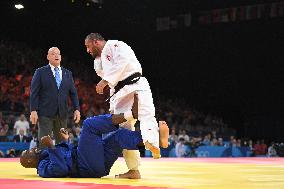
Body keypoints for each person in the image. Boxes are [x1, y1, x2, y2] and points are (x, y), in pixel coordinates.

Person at [20, 97, 169, 178]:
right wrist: (52, 147)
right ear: (29, 161)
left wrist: (65, 140)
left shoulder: (45, 156)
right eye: (29, 153)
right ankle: (131, 115)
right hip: (85, 165)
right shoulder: (42, 169)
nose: (33, 150)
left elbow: (66, 153)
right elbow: (60, 169)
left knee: (119, 136)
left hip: (96, 165)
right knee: (90, 125)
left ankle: (155, 139)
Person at [84, 33, 167, 178]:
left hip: (136, 84)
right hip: (119, 93)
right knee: (123, 130)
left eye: (88, 46)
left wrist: (105, 80)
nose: (88, 50)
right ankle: (134, 169)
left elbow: (123, 63)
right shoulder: (97, 62)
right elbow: (112, 81)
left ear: (95, 42)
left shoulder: (116, 45)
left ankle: (154, 142)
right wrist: (111, 99)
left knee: (146, 114)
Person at [30, 47, 80, 147]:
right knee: (44, 142)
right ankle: (45, 162)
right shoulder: (40, 72)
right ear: (48, 57)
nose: (56, 56)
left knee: (62, 143)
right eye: (53, 54)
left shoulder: (68, 73)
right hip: (45, 113)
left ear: (61, 57)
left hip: (62, 114)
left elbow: (73, 93)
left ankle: (61, 163)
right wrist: (33, 110)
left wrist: (77, 109)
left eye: (58, 54)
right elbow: (34, 92)